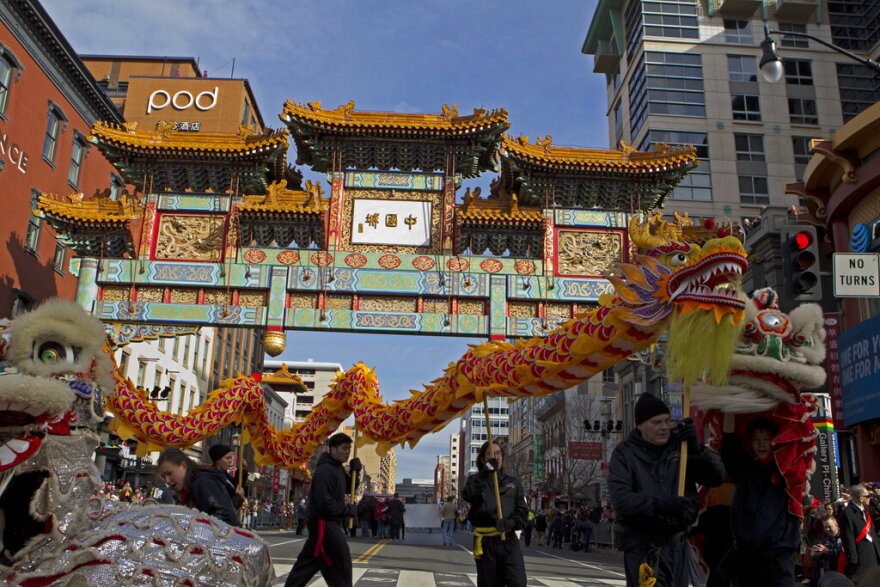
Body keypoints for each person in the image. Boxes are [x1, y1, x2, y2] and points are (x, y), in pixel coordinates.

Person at [609, 393, 724, 587]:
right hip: (643, 548)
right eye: (656, 422)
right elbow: (622, 501)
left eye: (666, 421)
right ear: (640, 425)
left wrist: (698, 450)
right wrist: (663, 505)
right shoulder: (625, 454)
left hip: (677, 546)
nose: (664, 427)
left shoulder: (682, 448)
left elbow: (716, 477)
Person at [721, 416, 801, 587]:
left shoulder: (787, 469)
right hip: (747, 554)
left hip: (779, 553)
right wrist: (728, 408)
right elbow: (729, 446)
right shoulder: (743, 468)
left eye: (766, 439)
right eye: (756, 440)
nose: (761, 444)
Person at [285, 433, 361, 587]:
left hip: (326, 523)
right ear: (332, 449)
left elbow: (348, 487)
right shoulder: (326, 470)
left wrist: (355, 472)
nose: (347, 452)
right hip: (323, 523)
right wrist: (346, 510)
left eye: (349, 449)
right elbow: (324, 502)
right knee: (340, 561)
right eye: (344, 448)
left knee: (309, 563)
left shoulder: (337, 468)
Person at [462, 440, 528, 587]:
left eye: (498, 453)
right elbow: (468, 495)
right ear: (482, 459)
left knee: (517, 582)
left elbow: (523, 514)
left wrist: (509, 523)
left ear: (503, 457)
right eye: (490, 454)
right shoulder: (475, 480)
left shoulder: (513, 483)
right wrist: (485, 473)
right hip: (486, 543)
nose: (495, 457)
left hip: (509, 540)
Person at [157, 448, 240, 527]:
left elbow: (225, 517)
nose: (167, 480)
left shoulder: (203, 483)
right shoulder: (187, 491)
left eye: (169, 473)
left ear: (183, 466)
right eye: (164, 477)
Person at [838, 484, 880, 582]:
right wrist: (853, 561)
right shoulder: (847, 513)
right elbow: (848, 538)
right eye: (868, 496)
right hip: (861, 558)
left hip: (873, 556)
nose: (870, 498)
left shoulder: (865, 511)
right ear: (861, 498)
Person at [208, 444, 246, 511]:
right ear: (217, 460)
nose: (231, 461)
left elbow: (236, 485)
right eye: (227, 458)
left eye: (231, 458)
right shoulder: (211, 478)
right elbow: (222, 507)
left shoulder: (225, 474)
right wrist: (238, 497)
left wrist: (241, 470)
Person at [811, 516, 843, 585]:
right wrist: (814, 555)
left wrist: (828, 551)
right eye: (825, 527)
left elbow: (844, 553)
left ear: (836, 525)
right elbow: (820, 560)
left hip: (844, 573)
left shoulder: (845, 536)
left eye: (829, 526)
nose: (827, 529)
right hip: (831, 574)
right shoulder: (825, 541)